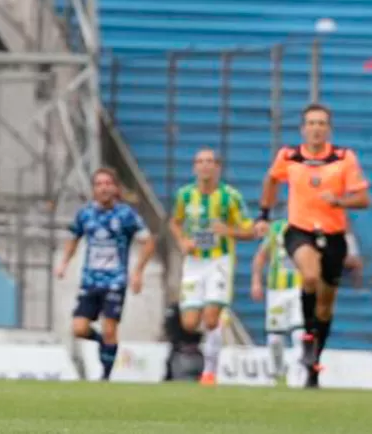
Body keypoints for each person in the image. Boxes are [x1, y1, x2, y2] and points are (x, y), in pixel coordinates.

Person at [254, 103, 371, 389]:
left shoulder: (344, 158)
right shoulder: (289, 156)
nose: (316, 128)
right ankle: (307, 339)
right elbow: (271, 180)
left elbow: (364, 199)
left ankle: (314, 362)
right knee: (309, 275)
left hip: (333, 235)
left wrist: (340, 201)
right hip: (300, 231)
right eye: (311, 123)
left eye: (321, 123)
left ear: (328, 128)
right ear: (303, 128)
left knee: (326, 306)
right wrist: (264, 214)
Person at [54, 168, 151, 381]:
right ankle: (105, 344)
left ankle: (105, 376)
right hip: (90, 281)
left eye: (108, 183)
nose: (104, 188)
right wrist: (63, 263)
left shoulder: (126, 215)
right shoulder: (85, 214)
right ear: (93, 189)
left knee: (110, 328)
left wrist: (138, 272)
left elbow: (148, 241)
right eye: (99, 184)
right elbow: (74, 238)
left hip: (115, 282)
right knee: (79, 328)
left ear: (115, 187)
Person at [171, 148, 254, 384]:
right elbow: (175, 222)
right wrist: (182, 241)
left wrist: (227, 230)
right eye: (200, 161)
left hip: (219, 261)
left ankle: (209, 371)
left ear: (218, 167)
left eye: (210, 162)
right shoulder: (185, 195)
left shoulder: (231, 197)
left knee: (210, 319)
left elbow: (248, 230)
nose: (205, 166)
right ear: (194, 167)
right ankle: (217, 316)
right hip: (194, 263)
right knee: (189, 323)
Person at [251, 217, 303, 386]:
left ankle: (298, 376)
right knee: (275, 338)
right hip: (276, 290)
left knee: (300, 334)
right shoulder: (276, 228)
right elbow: (261, 256)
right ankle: (278, 373)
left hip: (300, 288)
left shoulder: (311, 227)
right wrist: (256, 281)